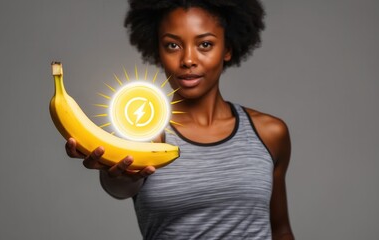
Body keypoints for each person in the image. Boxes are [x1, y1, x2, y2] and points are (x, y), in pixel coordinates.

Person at [66, 0, 294, 239]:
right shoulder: (144, 136)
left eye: (205, 44)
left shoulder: (269, 133)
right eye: (172, 45)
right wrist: (118, 174)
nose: (187, 60)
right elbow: (120, 188)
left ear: (227, 48)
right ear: (158, 50)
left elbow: (281, 230)